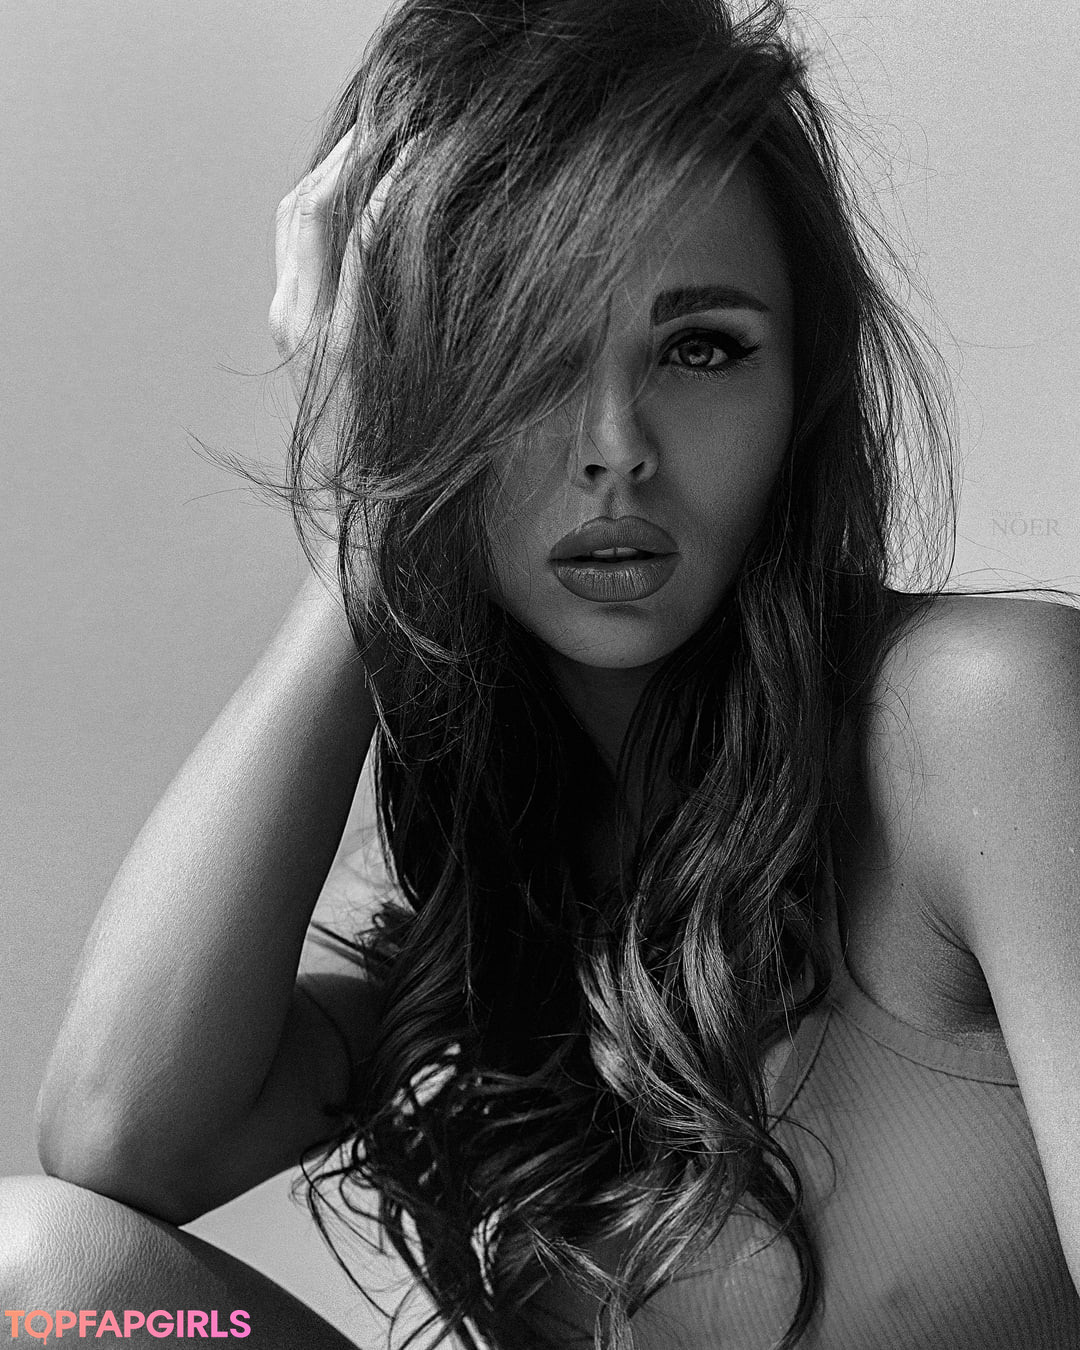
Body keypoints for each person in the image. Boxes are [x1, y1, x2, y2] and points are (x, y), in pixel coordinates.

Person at [2, 0, 1079, 1347]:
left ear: (800, 387)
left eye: (700, 347)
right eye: (522, 352)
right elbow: (115, 1149)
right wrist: (376, 506)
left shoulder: (986, 721)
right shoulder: (494, 916)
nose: (615, 444)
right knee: (36, 1279)